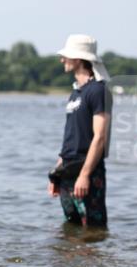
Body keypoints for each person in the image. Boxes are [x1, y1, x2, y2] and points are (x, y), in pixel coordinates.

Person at [47, 34, 112, 228]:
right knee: (70, 230)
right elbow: (71, 135)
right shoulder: (75, 93)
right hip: (68, 171)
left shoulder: (98, 91)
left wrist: (84, 175)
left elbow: (100, 137)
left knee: (93, 230)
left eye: (65, 56)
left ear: (78, 59)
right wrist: (57, 173)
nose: (62, 60)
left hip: (88, 171)